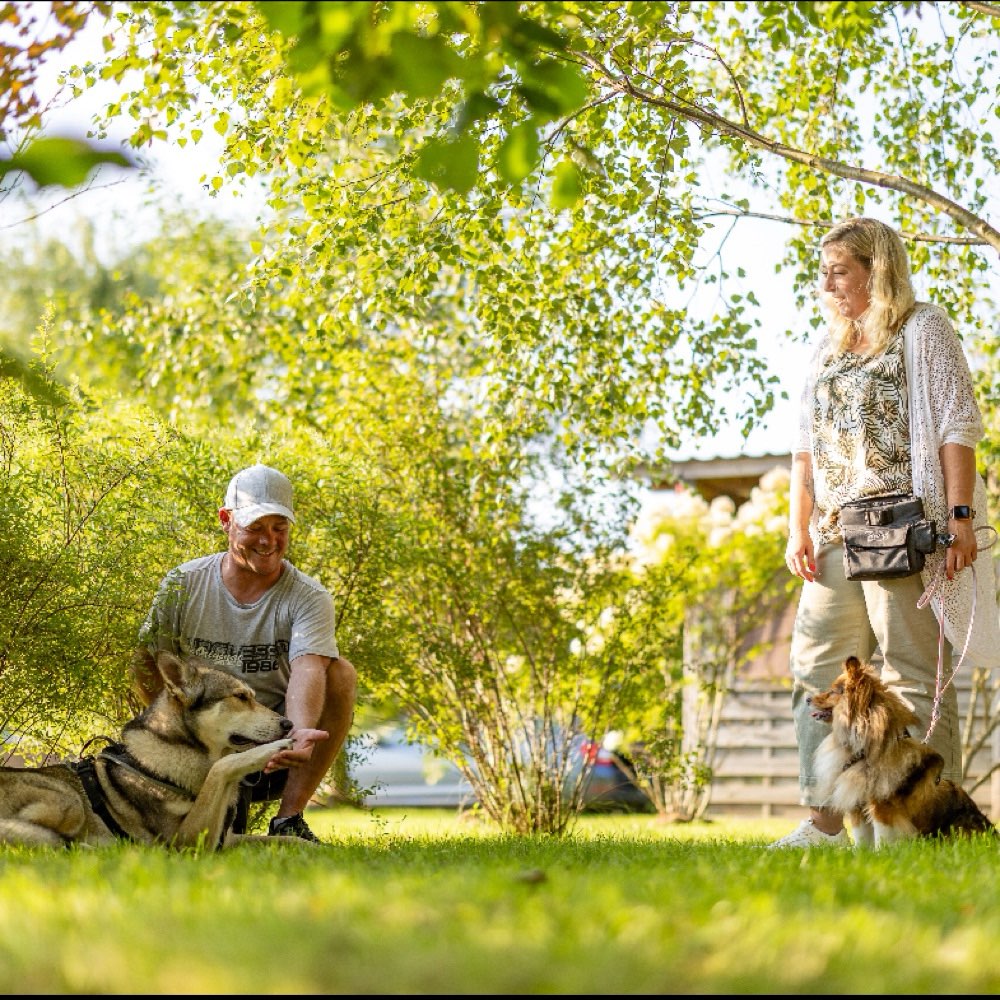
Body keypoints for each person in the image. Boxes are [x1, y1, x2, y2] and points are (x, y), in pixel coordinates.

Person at [768, 216, 1000, 849]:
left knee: (911, 675)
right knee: (816, 670)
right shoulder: (826, 349)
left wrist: (959, 520)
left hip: (908, 530)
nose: (827, 282)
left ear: (877, 267)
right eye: (825, 270)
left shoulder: (923, 330)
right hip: (838, 532)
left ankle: (929, 823)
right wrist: (799, 528)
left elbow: (956, 427)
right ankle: (825, 821)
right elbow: (803, 450)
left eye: (839, 268)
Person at [135, 463, 358, 843]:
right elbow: (147, 662)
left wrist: (298, 734)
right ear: (226, 520)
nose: (268, 540)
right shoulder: (184, 583)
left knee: (341, 673)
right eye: (255, 527)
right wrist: (169, 730)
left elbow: (308, 669)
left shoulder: (308, 596)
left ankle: (289, 818)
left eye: (279, 528)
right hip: (198, 741)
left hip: (276, 748)